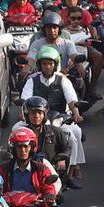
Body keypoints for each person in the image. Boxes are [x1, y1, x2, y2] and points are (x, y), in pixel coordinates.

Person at [21, 48, 86, 186]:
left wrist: (76, 114)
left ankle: (70, 172)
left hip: (59, 118)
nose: (47, 66)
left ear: (55, 64)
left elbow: (72, 100)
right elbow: (24, 101)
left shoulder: (62, 80)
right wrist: (23, 115)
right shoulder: (32, 80)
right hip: (35, 117)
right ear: (40, 65)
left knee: (74, 135)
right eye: (44, 64)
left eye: (50, 64)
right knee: (17, 130)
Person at [9, 96, 73, 184]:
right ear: (27, 115)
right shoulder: (20, 133)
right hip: (25, 171)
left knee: (58, 196)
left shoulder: (55, 131)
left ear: (45, 115)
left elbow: (67, 147)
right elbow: (11, 150)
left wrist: (62, 158)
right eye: (33, 113)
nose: (36, 116)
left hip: (50, 172)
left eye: (39, 112)